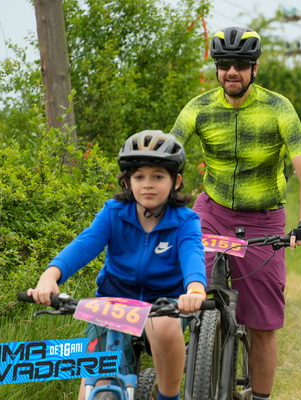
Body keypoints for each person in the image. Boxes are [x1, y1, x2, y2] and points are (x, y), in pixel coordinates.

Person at [171, 26, 301, 400]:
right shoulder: (199, 108)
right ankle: (189, 364)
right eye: (224, 64)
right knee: (185, 290)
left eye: (240, 64)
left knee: (263, 323)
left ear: (255, 68)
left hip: (262, 219)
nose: (231, 72)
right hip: (211, 212)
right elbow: (166, 156)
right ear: (216, 68)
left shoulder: (277, 108)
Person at [27, 130, 207, 400]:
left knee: (165, 327)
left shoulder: (185, 220)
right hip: (114, 301)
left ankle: (168, 396)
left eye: (158, 177)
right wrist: (50, 276)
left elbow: (192, 254)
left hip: (164, 303)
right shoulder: (113, 212)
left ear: (176, 181)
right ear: (127, 181)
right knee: (94, 377)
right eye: (139, 177)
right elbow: (84, 245)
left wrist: (194, 289)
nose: (147, 184)